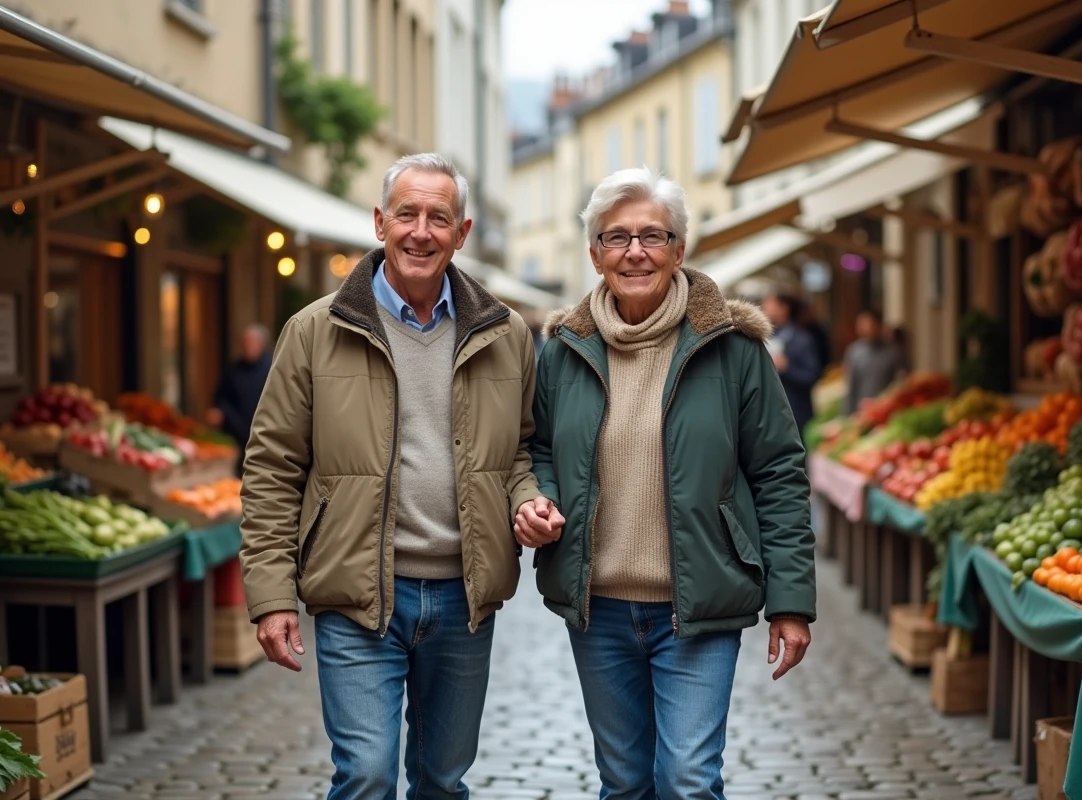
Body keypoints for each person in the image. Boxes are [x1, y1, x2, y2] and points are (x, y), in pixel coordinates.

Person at [238, 153, 562, 800]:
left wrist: (530, 501)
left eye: (438, 217)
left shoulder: (506, 336)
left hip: (462, 598)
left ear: (462, 232)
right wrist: (271, 594)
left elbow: (524, 450)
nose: (421, 231)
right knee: (367, 774)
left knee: (442, 781)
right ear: (380, 222)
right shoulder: (313, 330)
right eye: (406, 214)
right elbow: (272, 469)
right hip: (356, 592)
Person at [521, 167, 815, 799]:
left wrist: (790, 601)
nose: (635, 251)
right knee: (624, 783)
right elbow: (538, 447)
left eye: (652, 235)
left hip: (701, 604)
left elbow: (779, 472)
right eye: (616, 237)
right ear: (594, 253)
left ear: (680, 249)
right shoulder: (563, 350)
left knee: (686, 780)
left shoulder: (732, 349)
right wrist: (538, 496)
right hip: (596, 606)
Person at [206, 324, 272, 467]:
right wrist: (218, 411)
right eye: (245, 342)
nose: (247, 346)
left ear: (261, 344)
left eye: (251, 342)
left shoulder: (272, 368)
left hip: (264, 434)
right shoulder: (233, 370)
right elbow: (221, 397)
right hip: (235, 434)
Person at [761, 292, 822, 434]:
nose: (764, 308)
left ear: (784, 309)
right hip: (769, 414)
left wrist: (787, 368)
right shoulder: (763, 338)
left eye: (769, 304)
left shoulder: (802, 339)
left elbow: (812, 376)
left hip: (796, 414)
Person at [843, 309, 905, 416]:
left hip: (887, 410)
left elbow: (901, 383)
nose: (867, 328)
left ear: (879, 325)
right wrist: (847, 413)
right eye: (863, 325)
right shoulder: (854, 352)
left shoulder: (893, 352)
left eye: (871, 324)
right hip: (861, 410)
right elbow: (851, 385)